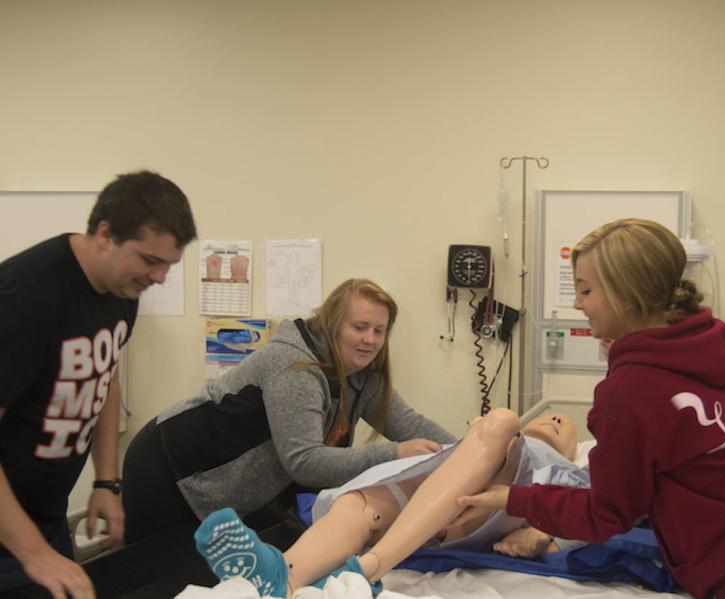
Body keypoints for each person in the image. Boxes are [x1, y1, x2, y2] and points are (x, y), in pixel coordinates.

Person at [459, 218, 725, 599]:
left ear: (627, 296)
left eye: (585, 290)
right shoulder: (709, 339)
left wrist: (509, 497)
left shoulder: (631, 390)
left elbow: (606, 514)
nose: (576, 302)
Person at [122, 278, 456, 545]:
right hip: (171, 472)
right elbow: (305, 462)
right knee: (154, 583)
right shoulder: (294, 367)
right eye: (360, 327)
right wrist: (394, 454)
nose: (369, 339)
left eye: (378, 331)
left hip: (228, 491)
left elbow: (409, 423)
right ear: (333, 324)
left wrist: (473, 450)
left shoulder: (362, 374)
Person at [0, 170, 197, 597]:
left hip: (44, 516)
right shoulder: (24, 296)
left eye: (169, 265)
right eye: (150, 260)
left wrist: (106, 480)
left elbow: (103, 375)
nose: (160, 277)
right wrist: (33, 552)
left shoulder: (121, 293)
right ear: (105, 234)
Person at [192, 409, 588, 598]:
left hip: (494, 508)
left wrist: (543, 531)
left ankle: (366, 568)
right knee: (366, 505)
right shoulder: (488, 441)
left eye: (565, 423)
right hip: (439, 490)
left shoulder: (569, 470)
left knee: (500, 419)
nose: (555, 419)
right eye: (549, 415)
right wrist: (473, 440)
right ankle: (283, 575)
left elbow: (598, 516)